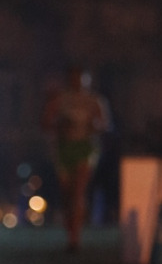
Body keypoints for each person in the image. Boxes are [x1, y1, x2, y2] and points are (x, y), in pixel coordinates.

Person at [42, 66, 111, 252]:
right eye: (74, 78)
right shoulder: (60, 99)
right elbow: (46, 123)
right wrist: (60, 126)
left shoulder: (95, 100)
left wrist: (93, 126)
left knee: (79, 191)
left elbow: (105, 125)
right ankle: (69, 228)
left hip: (85, 147)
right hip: (64, 148)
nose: (78, 82)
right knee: (67, 194)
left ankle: (75, 238)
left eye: (81, 78)